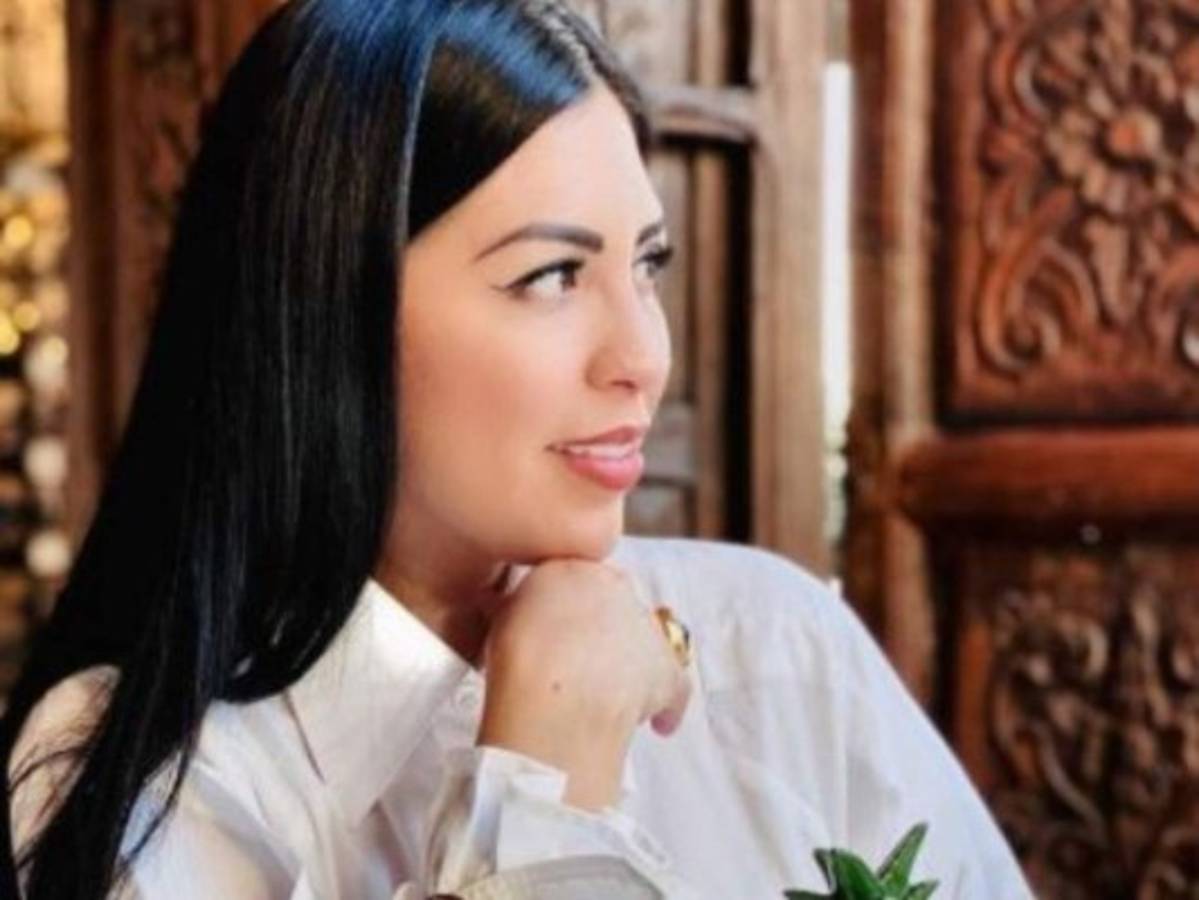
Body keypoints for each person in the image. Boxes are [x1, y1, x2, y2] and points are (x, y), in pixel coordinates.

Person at [0, 0, 1036, 897]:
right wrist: (548, 789)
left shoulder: (774, 646)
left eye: (647, 264)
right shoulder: (141, 776)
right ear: (324, 310)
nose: (644, 357)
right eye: (550, 276)